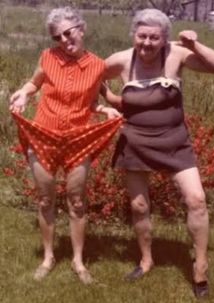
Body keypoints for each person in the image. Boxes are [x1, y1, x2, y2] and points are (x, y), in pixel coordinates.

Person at [104, 8, 214, 297]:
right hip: (134, 142)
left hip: (174, 141)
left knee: (196, 200)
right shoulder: (121, 59)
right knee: (139, 206)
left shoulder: (176, 54)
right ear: (134, 34)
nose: (147, 43)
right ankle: (146, 260)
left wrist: (193, 44)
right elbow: (87, 76)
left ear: (164, 39)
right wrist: (105, 101)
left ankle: (200, 267)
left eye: (154, 37)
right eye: (141, 36)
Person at [9, 6, 122, 284]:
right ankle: (48, 257)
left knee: (77, 200)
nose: (64, 40)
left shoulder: (98, 65)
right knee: (46, 198)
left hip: (77, 140)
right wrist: (24, 93)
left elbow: (93, 99)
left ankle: (78, 261)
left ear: (81, 29)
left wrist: (104, 110)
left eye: (69, 32)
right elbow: (35, 83)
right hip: (43, 135)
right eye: (57, 36)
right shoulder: (47, 57)